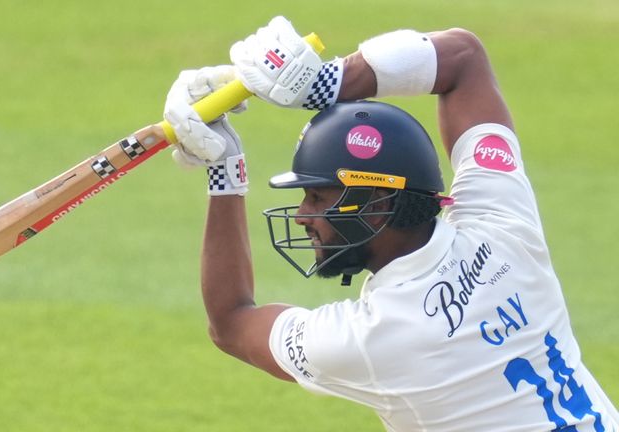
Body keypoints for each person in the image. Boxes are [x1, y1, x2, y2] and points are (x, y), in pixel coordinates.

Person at [163, 16, 619, 431]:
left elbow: (231, 321)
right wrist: (330, 83)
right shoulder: (500, 224)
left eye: (318, 196)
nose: (303, 215)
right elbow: (463, 59)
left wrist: (225, 172)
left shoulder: (372, 338)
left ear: (377, 204)